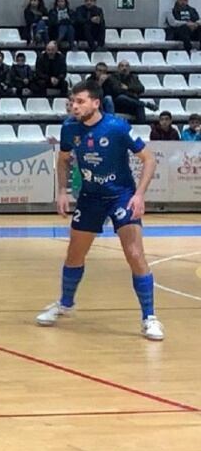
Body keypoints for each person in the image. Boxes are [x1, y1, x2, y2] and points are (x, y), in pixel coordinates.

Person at [36, 82, 163, 341]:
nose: (74, 105)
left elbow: (149, 159)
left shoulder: (116, 127)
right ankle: (65, 303)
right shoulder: (69, 127)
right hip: (91, 197)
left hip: (121, 196)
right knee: (74, 254)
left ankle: (149, 317)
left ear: (96, 103)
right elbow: (63, 160)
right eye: (72, 101)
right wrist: (62, 191)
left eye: (80, 101)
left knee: (134, 253)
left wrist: (139, 195)